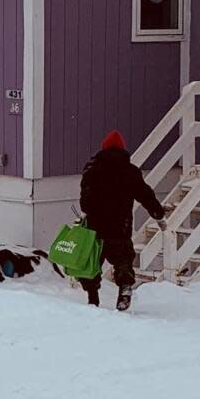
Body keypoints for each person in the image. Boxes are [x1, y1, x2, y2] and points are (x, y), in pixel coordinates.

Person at [78, 130, 166, 311]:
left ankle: (92, 297)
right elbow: (145, 194)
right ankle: (124, 289)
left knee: (92, 260)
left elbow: (85, 202)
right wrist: (157, 213)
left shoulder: (92, 170)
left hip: (96, 225)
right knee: (122, 259)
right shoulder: (130, 172)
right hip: (120, 224)